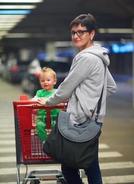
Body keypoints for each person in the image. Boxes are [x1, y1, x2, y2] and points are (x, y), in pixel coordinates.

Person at [36, 13, 117, 184]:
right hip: (94, 120)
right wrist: (93, 103)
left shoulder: (85, 57)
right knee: (91, 164)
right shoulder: (100, 58)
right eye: (73, 32)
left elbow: (66, 88)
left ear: (92, 34)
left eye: (81, 32)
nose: (76, 36)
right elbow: (111, 87)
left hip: (80, 119)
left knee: (69, 167)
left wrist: (48, 102)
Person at [32, 67, 60, 142]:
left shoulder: (57, 92)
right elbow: (34, 100)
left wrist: (47, 101)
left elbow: (60, 99)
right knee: (39, 125)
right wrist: (33, 101)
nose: (45, 82)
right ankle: (45, 142)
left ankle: (54, 142)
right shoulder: (39, 92)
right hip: (41, 117)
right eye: (42, 81)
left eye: (48, 80)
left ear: (54, 81)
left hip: (55, 116)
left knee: (56, 126)